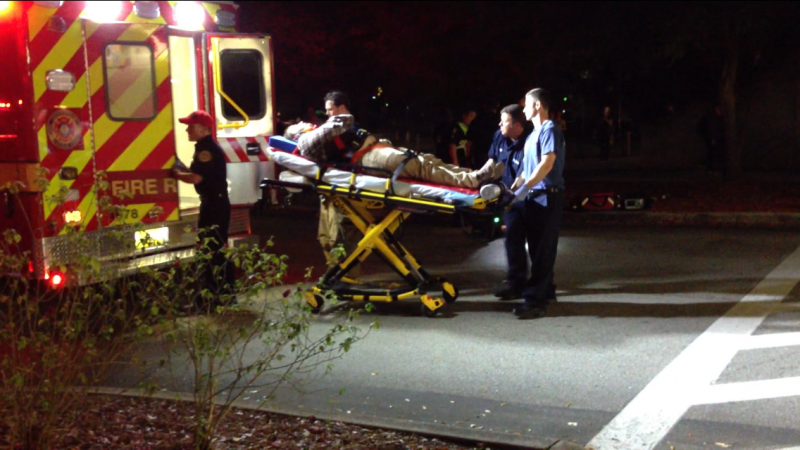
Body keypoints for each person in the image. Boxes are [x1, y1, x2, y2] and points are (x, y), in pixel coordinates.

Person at [505, 88, 565, 319]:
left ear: (537, 105)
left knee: (541, 250)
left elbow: (547, 163)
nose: (524, 109)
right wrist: (512, 191)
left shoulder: (550, 129)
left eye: (526, 105)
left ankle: (535, 301)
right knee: (539, 247)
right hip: (535, 197)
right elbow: (524, 171)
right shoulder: (532, 135)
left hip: (547, 196)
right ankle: (546, 291)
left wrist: (524, 188)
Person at [172, 110, 234, 305]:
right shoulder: (206, 147)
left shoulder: (205, 150)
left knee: (210, 252)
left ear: (203, 128)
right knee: (213, 250)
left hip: (214, 205)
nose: (187, 129)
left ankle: (214, 299)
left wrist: (175, 174)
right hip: (216, 202)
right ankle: (220, 296)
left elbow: (196, 178)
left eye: (191, 126)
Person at [487, 105, 532, 300]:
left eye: (504, 121)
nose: (499, 124)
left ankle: (540, 286)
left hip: (531, 198)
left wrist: (509, 195)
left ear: (518, 125)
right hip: (511, 197)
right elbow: (493, 163)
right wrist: (476, 181)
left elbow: (523, 176)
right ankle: (516, 283)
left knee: (538, 245)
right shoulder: (500, 136)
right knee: (513, 240)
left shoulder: (530, 141)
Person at [466, 101, 500, 169]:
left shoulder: (477, 120)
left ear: (485, 106)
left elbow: (469, 142)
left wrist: (467, 158)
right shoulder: (500, 120)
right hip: (496, 154)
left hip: (479, 153)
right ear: (497, 107)